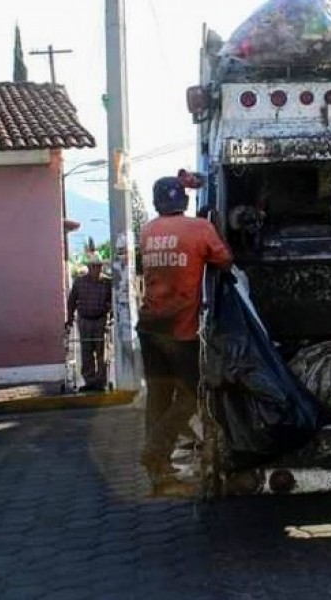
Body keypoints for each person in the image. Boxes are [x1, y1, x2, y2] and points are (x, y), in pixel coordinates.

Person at [137, 175, 232, 493]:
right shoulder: (200, 229)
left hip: (150, 328)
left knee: (158, 396)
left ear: (157, 201)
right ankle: (155, 448)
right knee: (192, 395)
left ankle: (158, 467)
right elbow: (225, 259)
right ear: (184, 201)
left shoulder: (147, 231)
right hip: (181, 332)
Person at [66, 254, 112, 392]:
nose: (97, 269)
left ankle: (101, 381)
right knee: (86, 352)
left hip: (101, 320)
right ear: (89, 267)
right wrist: (69, 319)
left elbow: (112, 301)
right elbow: (72, 301)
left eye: (99, 266)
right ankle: (89, 381)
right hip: (84, 320)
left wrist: (111, 316)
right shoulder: (79, 282)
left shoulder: (107, 282)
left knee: (101, 352)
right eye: (94, 266)